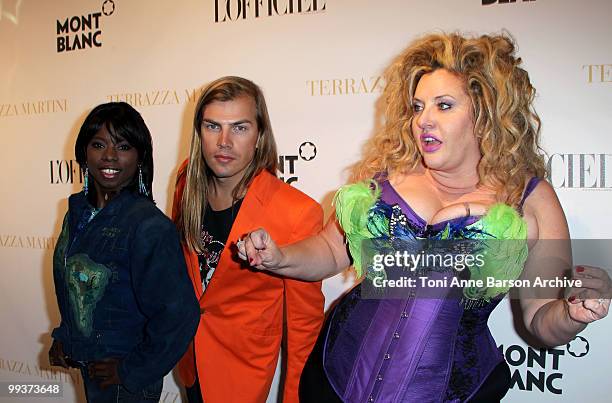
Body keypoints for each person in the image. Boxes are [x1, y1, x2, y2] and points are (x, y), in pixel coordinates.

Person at [238, 33, 611, 402]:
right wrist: (279, 256)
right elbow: (330, 251)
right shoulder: (388, 177)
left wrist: (571, 313)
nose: (424, 121)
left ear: (484, 113)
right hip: (335, 378)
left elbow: (539, 318)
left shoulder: (530, 199)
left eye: (444, 106)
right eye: (418, 107)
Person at [172, 76, 325, 403]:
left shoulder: (297, 213)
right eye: (213, 126)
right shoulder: (187, 183)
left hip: (241, 375)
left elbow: (303, 331)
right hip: (188, 359)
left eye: (239, 128)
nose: (223, 142)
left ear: (260, 135)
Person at [49, 102, 200, 402]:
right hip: (92, 371)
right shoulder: (77, 214)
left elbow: (180, 314)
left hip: (125, 385)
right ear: (83, 152)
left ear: (140, 156)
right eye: (98, 144)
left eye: (123, 146)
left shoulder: (148, 225)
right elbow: (76, 288)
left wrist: (132, 370)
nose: (109, 156)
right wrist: (67, 338)